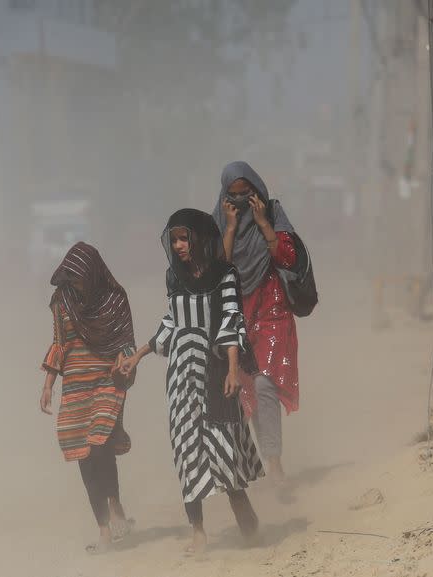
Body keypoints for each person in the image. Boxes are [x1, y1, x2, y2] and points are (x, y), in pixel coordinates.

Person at [121, 209, 262, 554]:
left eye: (184, 239)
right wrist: (139, 354)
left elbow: (232, 320)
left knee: (223, 445)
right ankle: (198, 531)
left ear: (199, 238)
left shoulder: (224, 275)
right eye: (174, 240)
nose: (180, 246)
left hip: (215, 372)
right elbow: (171, 321)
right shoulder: (175, 276)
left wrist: (232, 370)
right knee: (186, 447)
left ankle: (249, 525)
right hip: (181, 373)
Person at [39, 242, 136, 554]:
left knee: (99, 443)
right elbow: (59, 342)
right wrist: (48, 384)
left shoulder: (114, 299)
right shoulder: (61, 300)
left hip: (108, 381)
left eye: (81, 278)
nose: (77, 284)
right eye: (72, 278)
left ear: (94, 274)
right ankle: (105, 528)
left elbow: (126, 342)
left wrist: (124, 359)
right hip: (75, 388)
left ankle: (115, 502)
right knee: (85, 454)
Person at [213, 161, 300, 484]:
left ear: (257, 191)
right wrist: (232, 228)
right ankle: (266, 456)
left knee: (265, 384)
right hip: (237, 313)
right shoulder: (219, 221)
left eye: (245, 194)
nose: (238, 201)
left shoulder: (273, 213)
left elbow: (287, 258)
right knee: (247, 391)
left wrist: (264, 224)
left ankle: (274, 461)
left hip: (272, 307)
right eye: (232, 196)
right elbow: (217, 270)